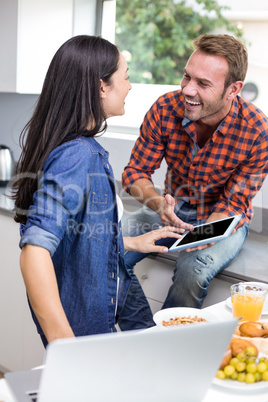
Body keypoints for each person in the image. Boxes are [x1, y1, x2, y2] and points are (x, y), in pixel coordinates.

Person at [12, 35, 182, 347]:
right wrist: (65, 344)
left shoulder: (77, 147)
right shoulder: (78, 155)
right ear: (102, 86)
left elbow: (74, 238)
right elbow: (34, 251)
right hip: (80, 331)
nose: (129, 86)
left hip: (97, 307)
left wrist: (126, 242)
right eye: (126, 77)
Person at [119, 34, 268, 330]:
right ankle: (145, 334)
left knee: (192, 270)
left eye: (203, 83)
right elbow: (134, 173)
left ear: (233, 89)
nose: (187, 89)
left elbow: (233, 205)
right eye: (187, 77)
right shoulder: (165, 108)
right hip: (172, 210)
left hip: (223, 219)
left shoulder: (257, 132)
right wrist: (157, 201)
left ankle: (170, 353)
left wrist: (200, 236)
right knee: (103, 247)